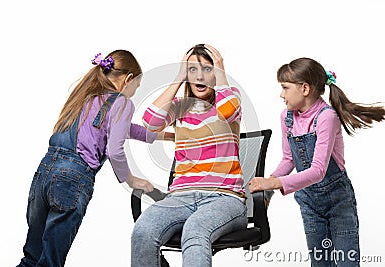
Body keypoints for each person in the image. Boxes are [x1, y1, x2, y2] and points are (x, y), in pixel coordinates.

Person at [17, 50, 174, 267]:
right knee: (50, 262)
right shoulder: (122, 102)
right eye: (136, 88)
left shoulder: (85, 97)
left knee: (32, 258)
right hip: (72, 178)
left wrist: (169, 136)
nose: (134, 93)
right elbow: (115, 149)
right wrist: (132, 180)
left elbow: (126, 129)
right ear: (128, 79)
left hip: (44, 172)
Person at [249, 57, 385, 266]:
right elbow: (288, 159)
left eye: (285, 88)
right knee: (320, 262)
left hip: (338, 200)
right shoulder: (286, 117)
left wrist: (275, 183)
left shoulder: (326, 117)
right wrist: (267, 189)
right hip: (309, 202)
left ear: (304, 88)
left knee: (347, 261)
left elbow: (318, 170)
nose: (281, 94)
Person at [131, 44, 247, 267]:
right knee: (143, 231)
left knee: (195, 230)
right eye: (193, 70)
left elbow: (228, 111)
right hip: (180, 197)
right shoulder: (179, 108)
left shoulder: (230, 98)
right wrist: (178, 77)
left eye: (207, 69)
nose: (200, 76)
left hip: (224, 198)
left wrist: (221, 70)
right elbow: (151, 121)